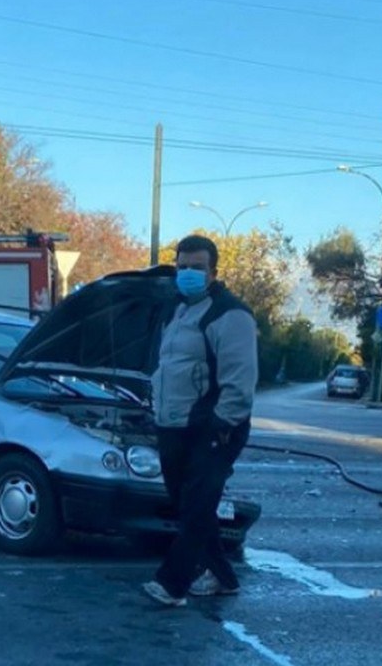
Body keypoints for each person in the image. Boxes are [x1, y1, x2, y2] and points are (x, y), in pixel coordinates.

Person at [142, 234, 259, 607]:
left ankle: (172, 584)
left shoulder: (230, 314)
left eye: (197, 267)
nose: (188, 274)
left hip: (212, 428)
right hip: (173, 425)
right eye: (182, 267)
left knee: (195, 507)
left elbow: (240, 380)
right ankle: (223, 577)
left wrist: (222, 425)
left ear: (213, 272)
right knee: (190, 506)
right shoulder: (177, 311)